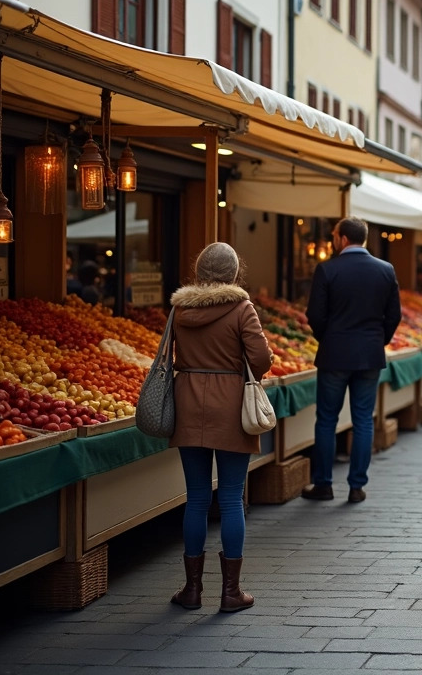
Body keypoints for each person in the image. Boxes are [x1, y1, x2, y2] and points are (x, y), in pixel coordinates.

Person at [167, 242, 273, 613]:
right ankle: (231, 593)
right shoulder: (242, 308)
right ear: (233, 273)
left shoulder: (180, 308)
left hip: (187, 401)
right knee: (230, 497)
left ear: (199, 272)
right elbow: (260, 359)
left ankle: (192, 589)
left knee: (196, 497)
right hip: (231, 405)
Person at [303, 217, 401, 503]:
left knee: (326, 421)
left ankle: (323, 484)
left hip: (334, 354)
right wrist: (378, 339)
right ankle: (357, 485)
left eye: (334, 236)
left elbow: (315, 315)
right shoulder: (385, 270)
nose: (333, 240)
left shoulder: (327, 270)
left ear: (343, 239)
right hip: (369, 354)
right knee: (363, 420)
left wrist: (329, 338)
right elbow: (394, 315)